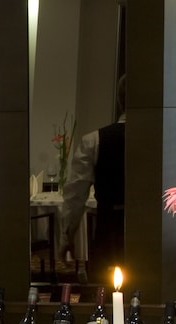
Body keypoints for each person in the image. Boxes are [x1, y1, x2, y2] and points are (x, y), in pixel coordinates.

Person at [60, 75, 126, 285]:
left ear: (119, 101)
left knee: (103, 293)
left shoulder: (94, 141)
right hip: (151, 234)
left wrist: (67, 237)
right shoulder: (162, 139)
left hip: (109, 230)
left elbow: (75, 196)